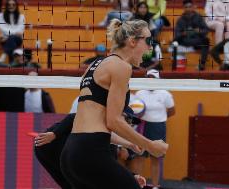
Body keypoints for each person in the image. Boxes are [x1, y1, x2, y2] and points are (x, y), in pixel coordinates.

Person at [60, 19, 168, 189]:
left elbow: (94, 123)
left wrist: (129, 143)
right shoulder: (121, 67)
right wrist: (150, 145)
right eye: (148, 41)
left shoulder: (95, 65)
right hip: (91, 151)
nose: (150, 47)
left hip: (71, 152)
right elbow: (113, 121)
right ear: (132, 41)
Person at [35, 108, 146, 189]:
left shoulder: (110, 146)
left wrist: (132, 176)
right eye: (128, 120)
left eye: (131, 123)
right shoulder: (102, 117)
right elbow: (73, 117)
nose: (130, 125)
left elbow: (111, 169)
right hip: (52, 143)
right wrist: (54, 134)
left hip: (47, 150)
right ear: (119, 114)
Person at [134, 69, 175, 188]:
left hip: (158, 127)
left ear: (158, 80)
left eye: (152, 78)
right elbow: (135, 109)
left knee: (156, 157)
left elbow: (172, 111)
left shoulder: (165, 93)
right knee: (140, 155)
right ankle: (138, 184)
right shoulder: (139, 93)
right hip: (142, 126)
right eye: (148, 77)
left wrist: (159, 118)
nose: (150, 80)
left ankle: (155, 186)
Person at [174, 0, 210, 71]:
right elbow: (177, 34)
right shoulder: (180, 20)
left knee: (206, 40)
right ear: (183, 8)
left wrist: (199, 31)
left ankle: (202, 64)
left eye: (190, 7)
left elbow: (206, 30)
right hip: (185, 41)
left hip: (196, 40)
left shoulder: (199, 17)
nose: (188, 9)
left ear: (193, 7)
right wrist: (183, 33)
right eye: (186, 7)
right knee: (175, 42)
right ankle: (175, 67)